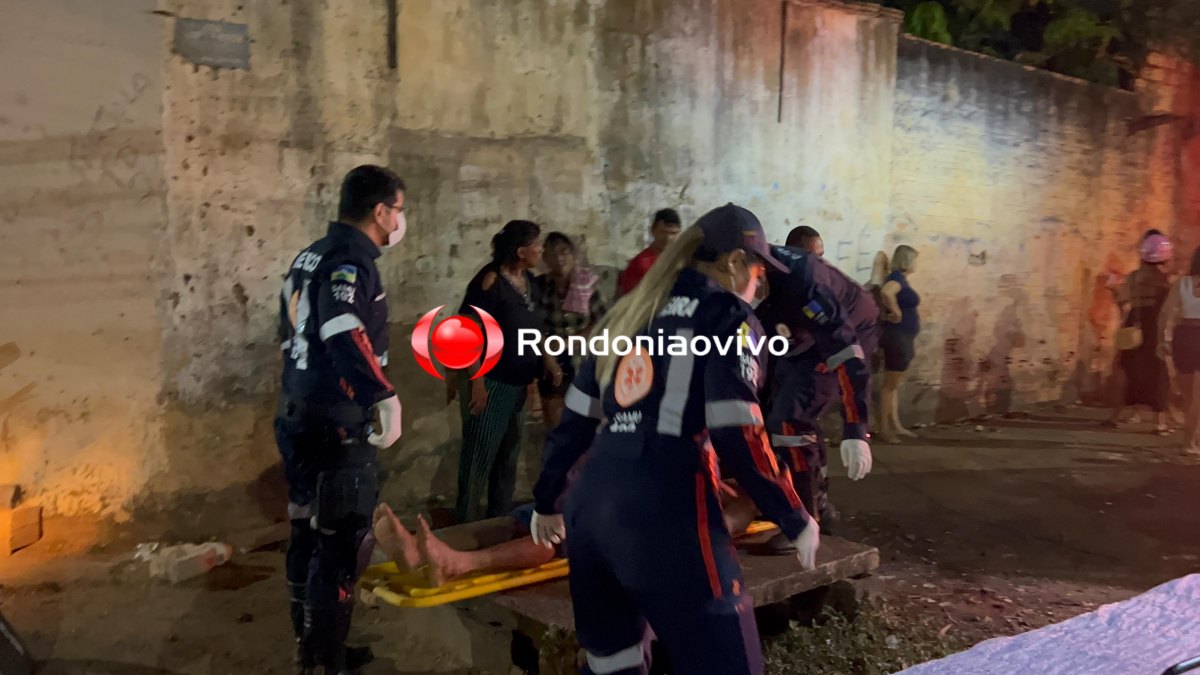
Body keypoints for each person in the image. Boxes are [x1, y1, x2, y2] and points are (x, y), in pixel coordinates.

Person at [529, 203, 819, 675]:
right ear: (732, 262)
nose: (759, 283)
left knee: (613, 665)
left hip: (592, 510)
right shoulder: (729, 316)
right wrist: (792, 512)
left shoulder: (630, 311)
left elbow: (575, 421)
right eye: (758, 269)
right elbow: (736, 427)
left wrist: (547, 499)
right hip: (666, 510)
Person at [274, 165, 407, 673]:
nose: (400, 220)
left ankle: (314, 646)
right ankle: (324, 659)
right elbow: (343, 328)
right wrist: (384, 394)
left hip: (298, 412)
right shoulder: (351, 259)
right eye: (399, 210)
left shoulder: (310, 255)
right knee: (341, 543)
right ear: (380, 211)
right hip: (335, 424)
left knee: (307, 532)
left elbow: (286, 328)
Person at [752, 243, 878, 541]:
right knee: (770, 404)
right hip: (800, 333)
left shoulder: (806, 288)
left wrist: (855, 428)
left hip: (850, 333)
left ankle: (805, 518)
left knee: (790, 420)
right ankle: (814, 501)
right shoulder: (757, 277)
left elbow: (846, 351)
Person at [455, 220, 562, 524]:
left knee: (508, 458)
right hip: (491, 382)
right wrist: (476, 382)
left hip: (518, 383)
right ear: (521, 250)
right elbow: (467, 333)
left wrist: (548, 359)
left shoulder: (529, 281)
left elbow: (534, 327)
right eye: (537, 244)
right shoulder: (489, 282)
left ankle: (496, 523)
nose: (541, 249)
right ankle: (466, 525)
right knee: (479, 456)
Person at [534, 232, 609, 430]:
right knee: (555, 422)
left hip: (584, 361)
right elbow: (533, 325)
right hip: (551, 362)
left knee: (588, 423)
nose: (559, 258)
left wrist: (569, 342)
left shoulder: (587, 284)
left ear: (573, 255)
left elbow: (602, 322)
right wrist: (547, 355)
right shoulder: (539, 287)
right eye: (552, 254)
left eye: (564, 252)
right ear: (545, 258)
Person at [1108, 231, 1175, 433]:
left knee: (1127, 371)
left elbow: (1123, 304)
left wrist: (1113, 292)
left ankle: (1115, 416)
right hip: (1155, 328)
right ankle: (1160, 423)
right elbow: (1170, 310)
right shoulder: (1166, 282)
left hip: (1133, 326)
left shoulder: (1133, 277)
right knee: (1158, 373)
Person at [877, 245, 921, 443]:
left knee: (893, 385)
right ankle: (885, 429)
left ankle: (896, 425)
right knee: (889, 385)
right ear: (907, 260)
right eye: (914, 260)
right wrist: (896, 311)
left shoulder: (899, 279)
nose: (916, 264)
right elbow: (887, 293)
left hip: (902, 336)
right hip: (897, 336)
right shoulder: (896, 279)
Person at [1160, 246, 1200, 453]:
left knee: (1188, 396)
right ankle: (1189, 442)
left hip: (1183, 335)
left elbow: (1165, 313)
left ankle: (1193, 436)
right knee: (1198, 397)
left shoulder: (1182, 283)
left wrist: (1161, 340)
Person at [615, 208, 683, 297]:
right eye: (663, 232)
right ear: (653, 231)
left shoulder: (683, 260)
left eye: (673, 233)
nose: (668, 238)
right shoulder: (640, 263)